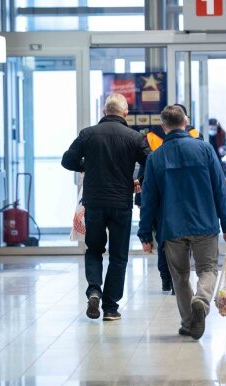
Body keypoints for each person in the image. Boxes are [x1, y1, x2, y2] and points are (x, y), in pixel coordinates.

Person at [138, 105, 226, 340]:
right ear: (185, 122)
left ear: (163, 127)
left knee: (179, 276)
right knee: (207, 269)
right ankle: (201, 300)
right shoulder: (204, 149)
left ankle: (189, 321)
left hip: (171, 227)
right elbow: (220, 189)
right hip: (204, 222)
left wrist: (144, 234)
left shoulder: (156, 156)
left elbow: (148, 198)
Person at [62, 93, 149, 321]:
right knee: (118, 255)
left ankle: (93, 290)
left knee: (94, 249)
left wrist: (86, 167)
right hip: (121, 203)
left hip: (95, 203)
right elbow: (151, 162)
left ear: (104, 112)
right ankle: (110, 307)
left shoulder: (88, 134)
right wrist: (139, 180)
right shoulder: (135, 137)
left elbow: (67, 160)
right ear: (125, 113)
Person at [135, 103, 202, 294]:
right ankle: (177, 279)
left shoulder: (149, 137)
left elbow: (145, 168)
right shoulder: (195, 136)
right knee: (184, 240)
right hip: (186, 197)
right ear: (185, 119)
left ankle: (166, 279)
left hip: (158, 197)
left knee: (163, 239)